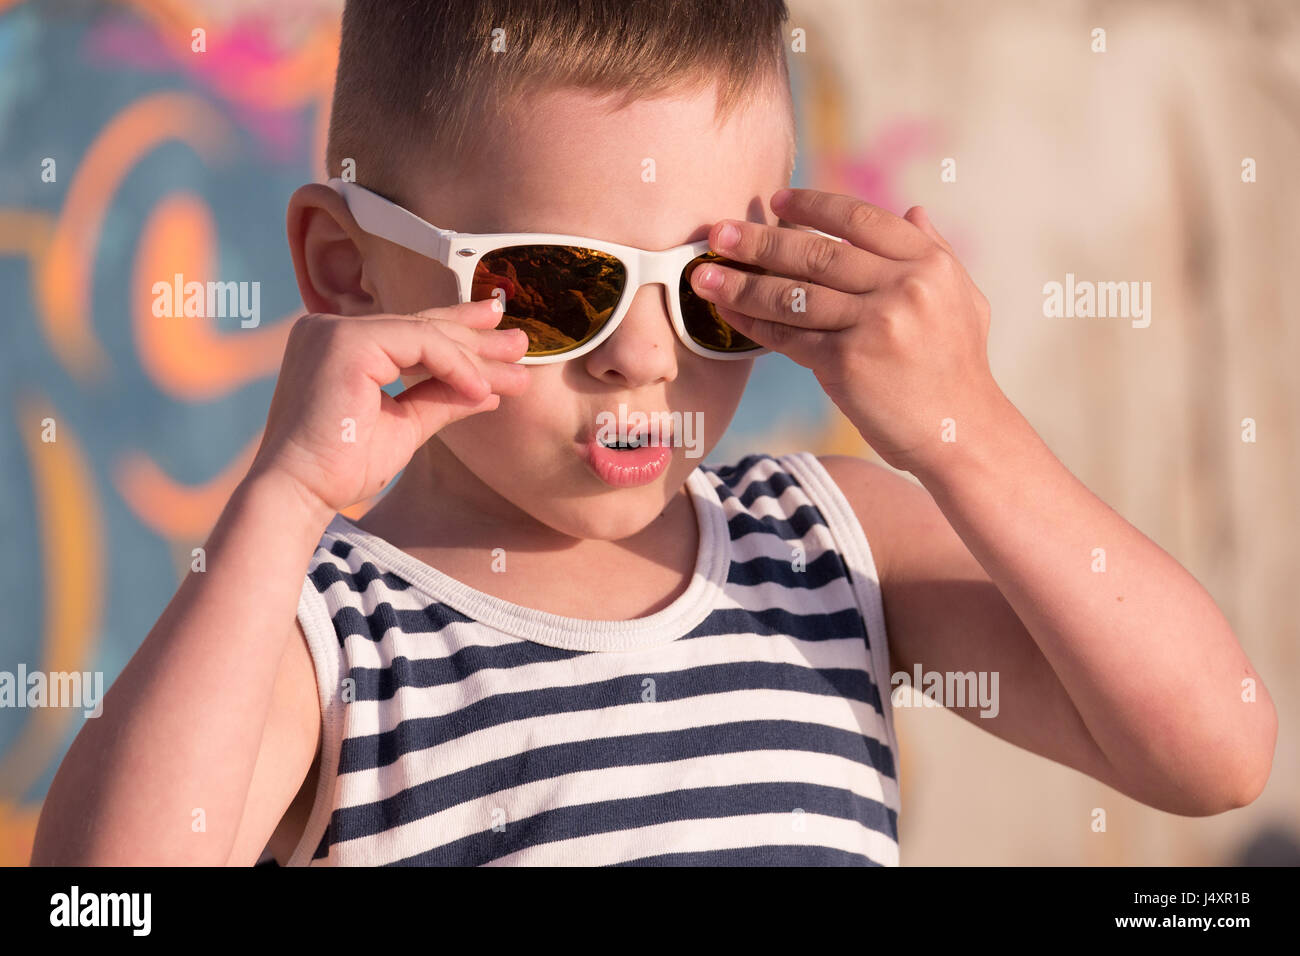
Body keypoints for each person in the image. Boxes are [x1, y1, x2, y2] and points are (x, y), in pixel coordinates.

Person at [32, 0, 1276, 867]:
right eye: (556, 284)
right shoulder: (326, 632)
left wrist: (970, 428)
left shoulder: (826, 547)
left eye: (704, 291)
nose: (643, 356)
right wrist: (285, 496)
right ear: (350, 272)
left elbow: (1213, 750)